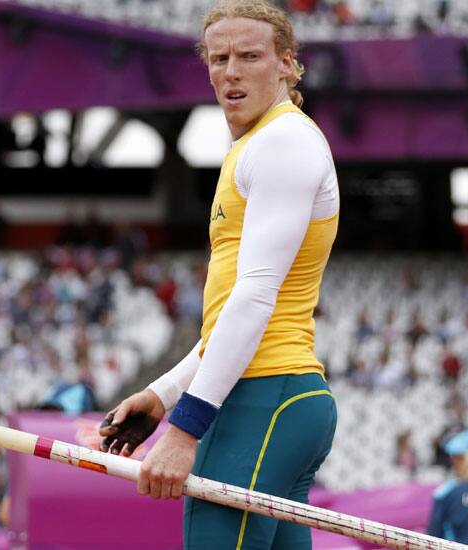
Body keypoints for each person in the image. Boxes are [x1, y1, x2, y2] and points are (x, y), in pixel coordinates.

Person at [99, 1, 340, 548]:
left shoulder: (283, 142)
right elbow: (230, 317)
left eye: (250, 56)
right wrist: (163, 395)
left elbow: (255, 299)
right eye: (218, 57)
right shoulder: (255, 147)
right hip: (273, 397)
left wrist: (185, 430)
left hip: (265, 396)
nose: (230, 71)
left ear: (287, 64)